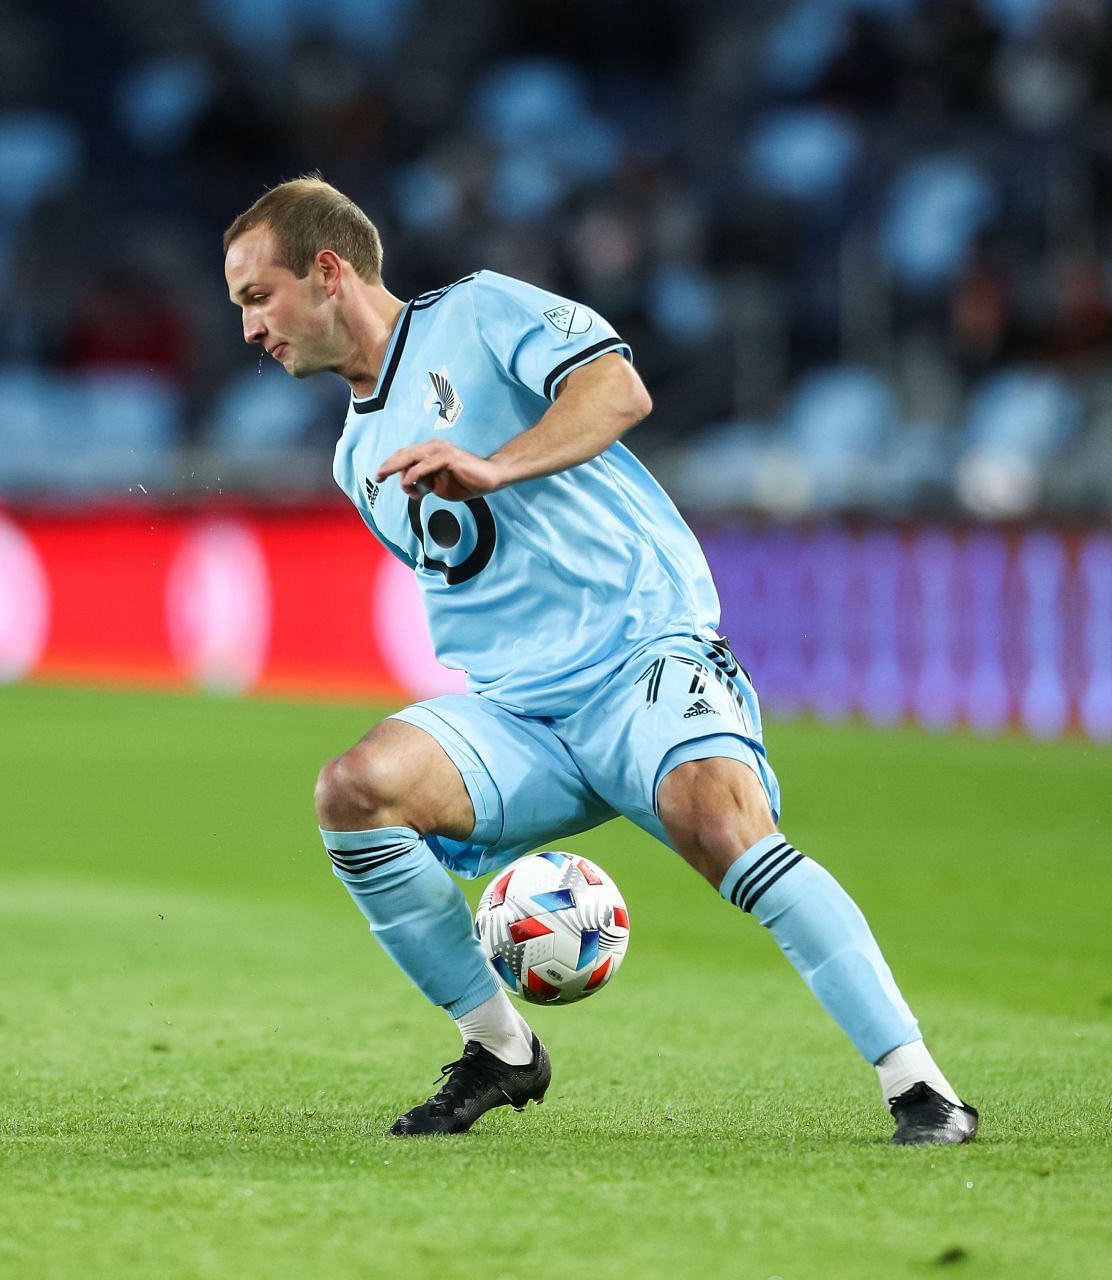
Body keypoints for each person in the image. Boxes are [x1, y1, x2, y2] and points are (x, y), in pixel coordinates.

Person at [221, 176, 976, 1146]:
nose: (248, 328)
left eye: (258, 295)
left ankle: (919, 1083)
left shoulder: (482, 309)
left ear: (329, 273)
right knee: (352, 791)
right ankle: (498, 1047)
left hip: (642, 655)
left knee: (720, 823)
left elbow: (618, 388)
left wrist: (496, 462)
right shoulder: (353, 451)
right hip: (518, 713)